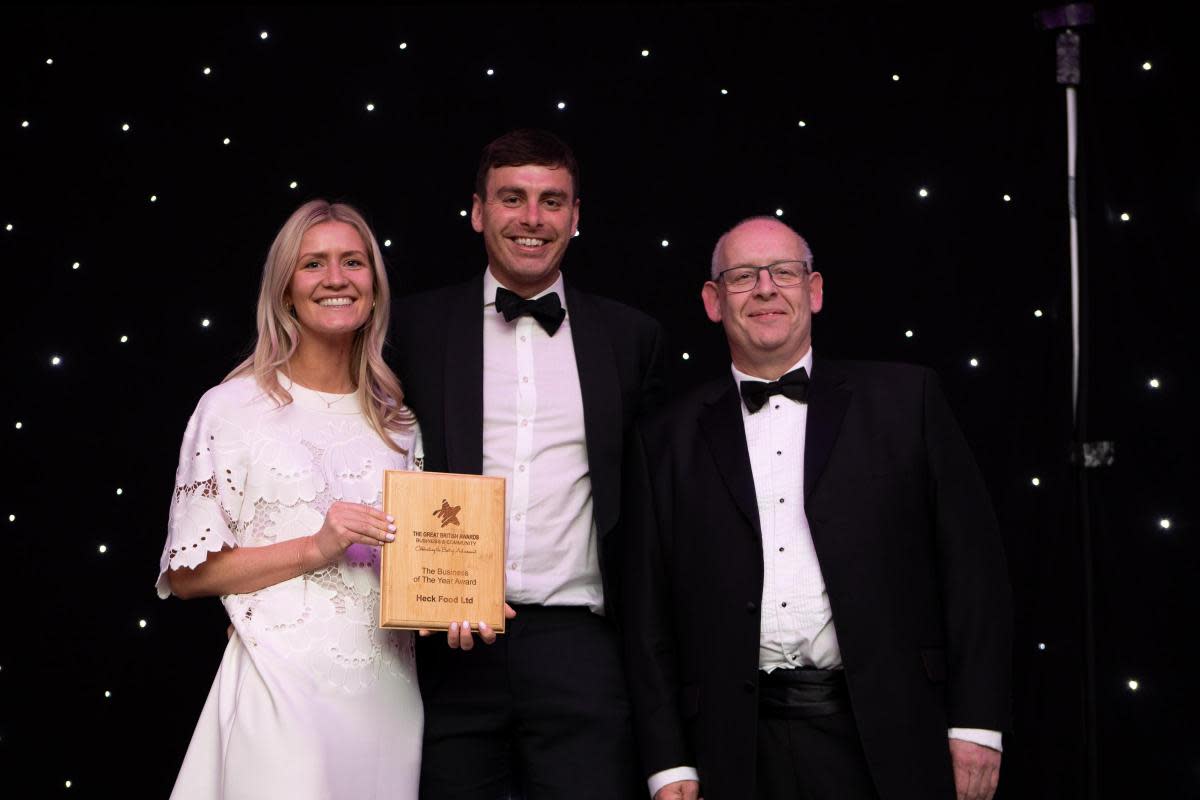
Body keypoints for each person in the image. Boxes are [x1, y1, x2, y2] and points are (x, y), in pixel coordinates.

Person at [622, 216, 1012, 800]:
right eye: (742, 276)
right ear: (712, 300)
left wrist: (978, 724)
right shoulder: (663, 440)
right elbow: (646, 618)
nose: (765, 288)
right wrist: (670, 765)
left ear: (815, 289)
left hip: (895, 734)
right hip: (735, 751)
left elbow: (973, 574)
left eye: (784, 272)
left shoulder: (908, 401)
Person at [390, 128, 664, 799]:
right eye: (512, 198)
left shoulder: (631, 337)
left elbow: (653, 501)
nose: (533, 219)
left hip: (581, 646)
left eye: (552, 201)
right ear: (479, 210)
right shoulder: (412, 329)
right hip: (445, 645)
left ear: (576, 216)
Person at [156, 200, 423, 799]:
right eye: (313, 264)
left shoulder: (400, 424)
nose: (335, 279)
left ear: (375, 290)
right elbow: (189, 575)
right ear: (284, 292)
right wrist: (315, 547)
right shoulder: (229, 410)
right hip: (279, 694)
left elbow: (420, 567)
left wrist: (457, 603)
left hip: (386, 703)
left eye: (353, 262)